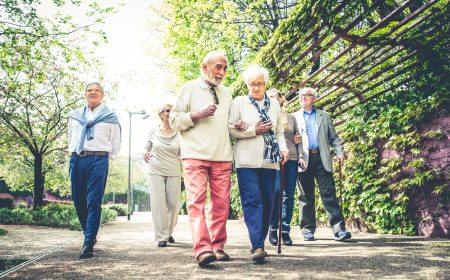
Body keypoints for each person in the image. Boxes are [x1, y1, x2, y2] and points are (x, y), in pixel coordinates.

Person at [169, 50, 235, 266]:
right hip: (194, 156)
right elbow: (174, 121)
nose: (222, 72)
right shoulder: (188, 88)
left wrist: (240, 126)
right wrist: (196, 114)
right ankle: (203, 249)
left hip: (222, 157)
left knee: (222, 205)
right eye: (218, 67)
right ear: (204, 67)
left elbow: (231, 125)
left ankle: (218, 246)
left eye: (225, 68)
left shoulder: (227, 93)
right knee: (196, 204)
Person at [228, 65, 288, 262]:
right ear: (247, 84)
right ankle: (258, 246)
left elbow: (279, 131)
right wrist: (253, 130)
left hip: (270, 161)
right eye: (252, 84)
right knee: (253, 200)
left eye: (259, 84)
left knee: (268, 202)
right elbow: (230, 129)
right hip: (246, 161)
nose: (255, 87)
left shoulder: (274, 105)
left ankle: (258, 241)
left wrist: (284, 148)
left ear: (265, 84)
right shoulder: (239, 102)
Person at [68, 82, 121, 259]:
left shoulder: (110, 117)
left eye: (96, 90)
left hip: (98, 159)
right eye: (89, 90)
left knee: (93, 201)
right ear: (85, 94)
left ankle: (88, 243)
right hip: (77, 159)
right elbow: (71, 137)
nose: (93, 92)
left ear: (102, 95)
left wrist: (107, 158)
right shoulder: (75, 116)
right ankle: (89, 234)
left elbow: (115, 142)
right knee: (78, 201)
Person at [293, 87, 351, 242]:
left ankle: (339, 230)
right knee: (305, 196)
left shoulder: (324, 116)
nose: (303, 97)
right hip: (303, 159)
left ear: (314, 98)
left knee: (329, 194)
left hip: (322, 157)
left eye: (307, 95)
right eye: (301, 95)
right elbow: (289, 139)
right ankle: (307, 230)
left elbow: (334, 138)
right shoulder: (293, 117)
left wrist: (339, 151)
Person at [267, 89, 302, 246]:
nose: (273, 100)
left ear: (281, 100)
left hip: (292, 158)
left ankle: (285, 230)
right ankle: (272, 228)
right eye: (269, 98)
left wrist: (300, 156)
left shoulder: (291, 118)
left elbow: (298, 138)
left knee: (289, 194)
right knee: (275, 193)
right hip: (273, 159)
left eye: (275, 97)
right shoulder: (265, 115)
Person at [144, 104, 181, 248]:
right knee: (158, 203)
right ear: (161, 114)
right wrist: (144, 152)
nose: (170, 113)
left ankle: (168, 232)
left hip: (173, 169)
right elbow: (146, 147)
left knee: (173, 203)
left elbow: (183, 151)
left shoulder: (179, 132)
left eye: (172, 111)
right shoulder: (153, 131)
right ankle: (161, 236)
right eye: (168, 111)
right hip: (155, 169)